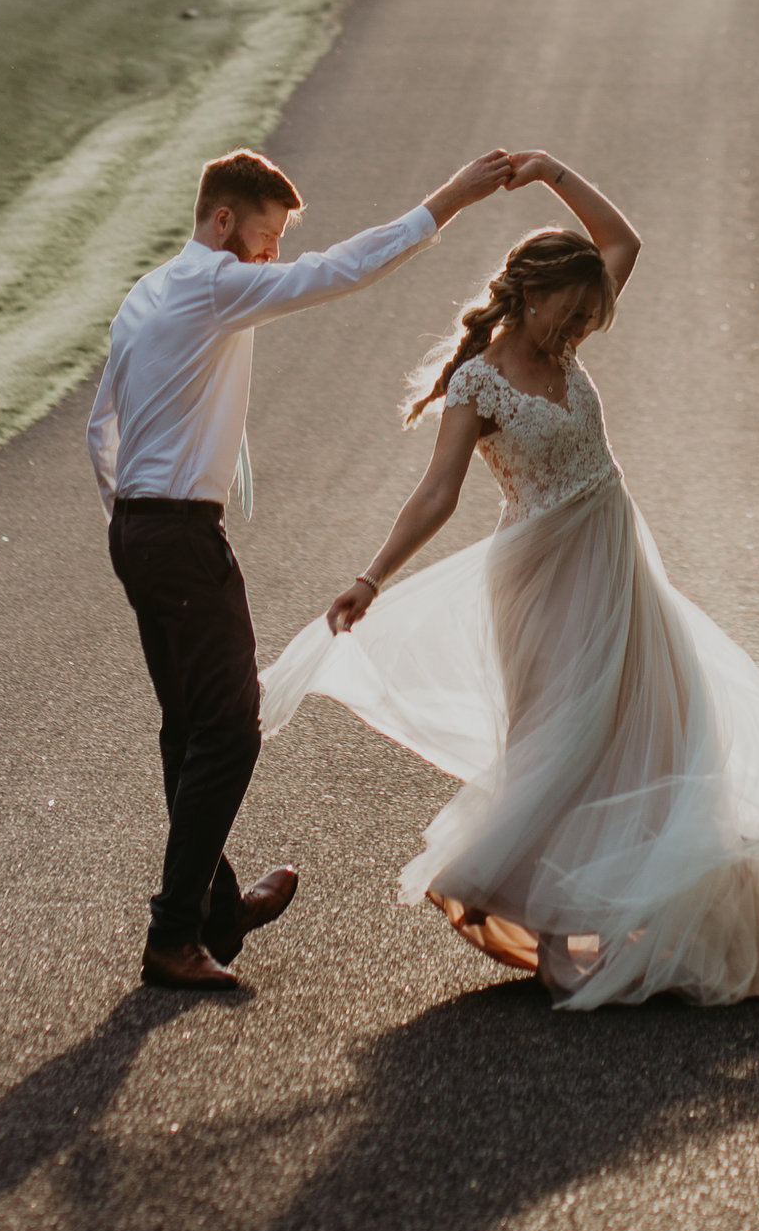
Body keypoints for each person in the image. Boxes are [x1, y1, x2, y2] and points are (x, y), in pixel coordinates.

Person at [259, 148, 759, 1006]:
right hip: (541, 581)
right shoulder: (477, 382)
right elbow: (438, 491)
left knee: (677, 734)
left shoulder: (565, 339)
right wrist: (371, 577)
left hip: (621, 565)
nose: (577, 331)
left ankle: (738, 953)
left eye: (584, 316)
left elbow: (625, 243)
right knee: (567, 750)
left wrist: (553, 173)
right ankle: (560, 938)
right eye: (565, 315)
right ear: (528, 298)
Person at [90, 138, 516, 994]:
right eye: (267, 235)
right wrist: (451, 199)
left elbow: (102, 426)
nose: (273, 255)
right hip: (174, 532)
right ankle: (175, 936)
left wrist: (133, 519)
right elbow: (339, 272)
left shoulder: (148, 292)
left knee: (189, 726)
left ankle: (214, 912)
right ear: (223, 222)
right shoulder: (213, 283)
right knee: (232, 728)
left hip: (138, 530)